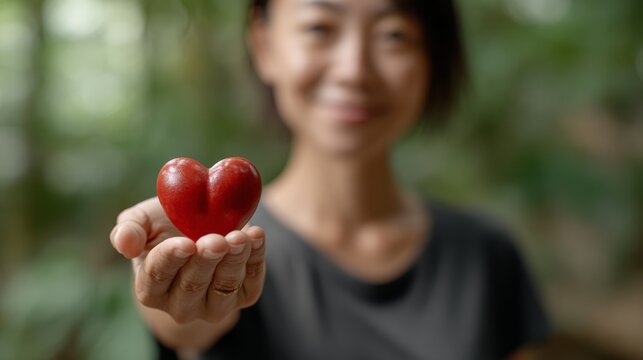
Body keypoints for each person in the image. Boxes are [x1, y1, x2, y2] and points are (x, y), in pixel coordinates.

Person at [110, 0, 550, 359]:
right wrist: (182, 289)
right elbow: (188, 329)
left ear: (432, 56)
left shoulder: (487, 254)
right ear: (265, 46)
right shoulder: (236, 252)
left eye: (393, 34)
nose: (354, 69)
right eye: (320, 27)